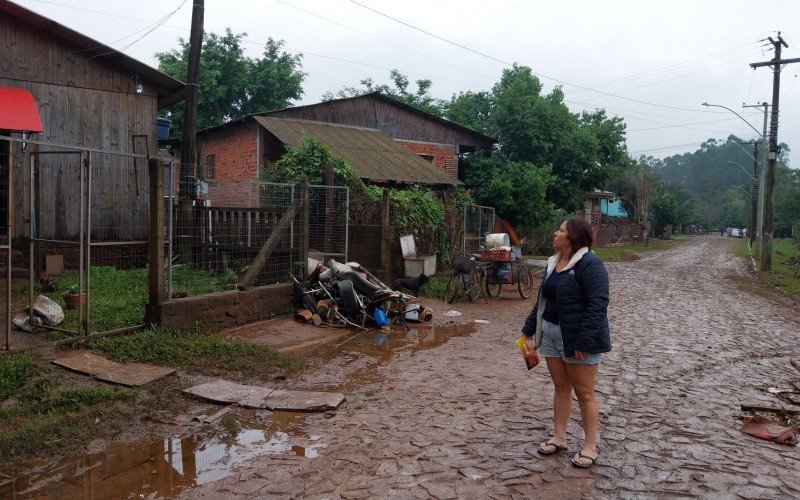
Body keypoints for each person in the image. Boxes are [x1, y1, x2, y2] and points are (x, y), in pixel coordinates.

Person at [520, 218, 611, 468]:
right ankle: (559, 437)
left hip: (578, 339)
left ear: (573, 238)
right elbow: (542, 301)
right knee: (561, 387)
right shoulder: (554, 263)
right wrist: (529, 330)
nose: (555, 233)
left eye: (560, 230)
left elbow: (598, 305)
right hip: (550, 335)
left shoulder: (590, 265)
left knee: (584, 392)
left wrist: (584, 340)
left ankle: (589, 446)